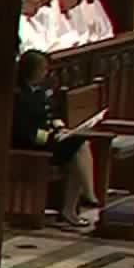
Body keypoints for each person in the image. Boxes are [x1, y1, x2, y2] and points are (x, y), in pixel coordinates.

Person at [14, 49, 101, 227]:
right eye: (43, 69)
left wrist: (60, 128)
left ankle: (77, 204)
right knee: (78, 148)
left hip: (47, 140)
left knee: (78, 148)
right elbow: (24, 130)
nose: (46, 73)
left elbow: (51, 114)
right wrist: (51, 138)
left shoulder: (41, 91)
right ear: (32, 70)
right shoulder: (19, 95)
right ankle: (86, 197)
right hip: (30, 145)